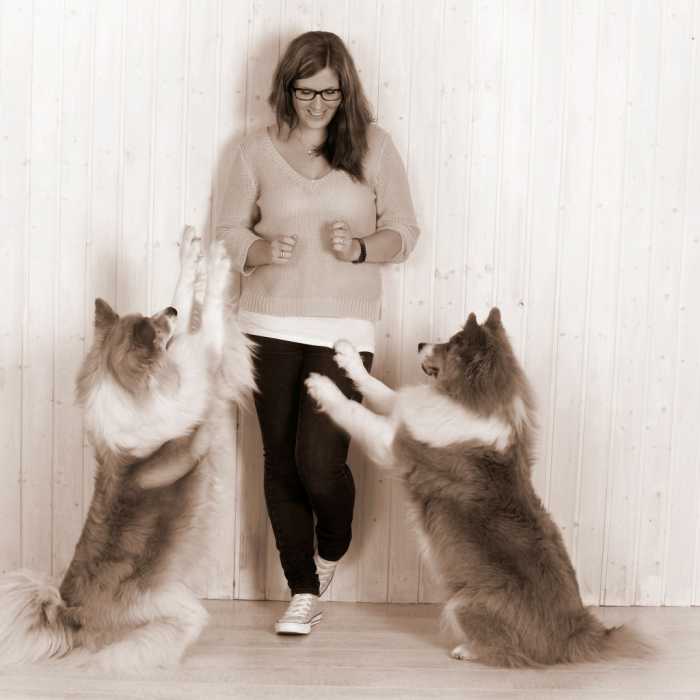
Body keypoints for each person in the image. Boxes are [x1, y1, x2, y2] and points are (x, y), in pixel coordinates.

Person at [216, 30, 419, 635]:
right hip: (266, 323)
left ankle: (331, 547)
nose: (318, 104)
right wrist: (258, 250)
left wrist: (360, 248)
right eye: (306, 92)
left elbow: (405, 232)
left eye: (329, 93)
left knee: (319, 461)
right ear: (287, 89)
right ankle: (302, 591)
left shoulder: (374, 147)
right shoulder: (253, 151)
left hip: (343, 329)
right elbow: (228, 231)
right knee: (280, 461)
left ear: (345, 91)